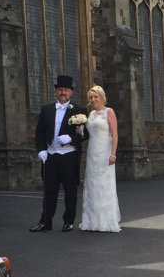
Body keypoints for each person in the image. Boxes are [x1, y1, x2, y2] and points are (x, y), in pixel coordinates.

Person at [31, 75, 85, 232]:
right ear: (55, 91)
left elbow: (84, 134)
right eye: (60, 89)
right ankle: (45, 222)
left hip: (69, 156)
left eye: (66, 90)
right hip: (51, 156)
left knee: (70, 191)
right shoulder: (46, 110)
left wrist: (71, 138)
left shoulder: (78, 111)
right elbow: (39, 133)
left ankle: (68, 221)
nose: (63, 92)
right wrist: (41, 149)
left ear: (71, 93)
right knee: (49, 191)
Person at [77, 85, 121, 232]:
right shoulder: (90, 114)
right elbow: (88, 134)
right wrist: (80, 130)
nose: (93, 99)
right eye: (91, 97)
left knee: (104, 185)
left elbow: (114, 134)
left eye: (96, 96)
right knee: (92, 184)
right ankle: (92, 221)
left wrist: (113, 153)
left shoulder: (109, 112)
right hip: (92, 152)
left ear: (102, 97)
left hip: (105, 152)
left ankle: (106, 222)